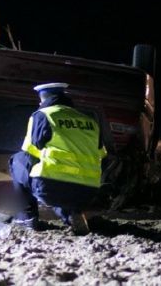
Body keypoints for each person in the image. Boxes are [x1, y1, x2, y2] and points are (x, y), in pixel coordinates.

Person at [8, 82, 107, 235]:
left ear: (44, 100)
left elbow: (30, 153)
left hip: (51, 188)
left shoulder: (43, 115)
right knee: (58, 182)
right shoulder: (90, 121)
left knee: (17, 160)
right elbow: (102, 155)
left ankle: (26, 218)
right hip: (88, 193)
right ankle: (71, 214)